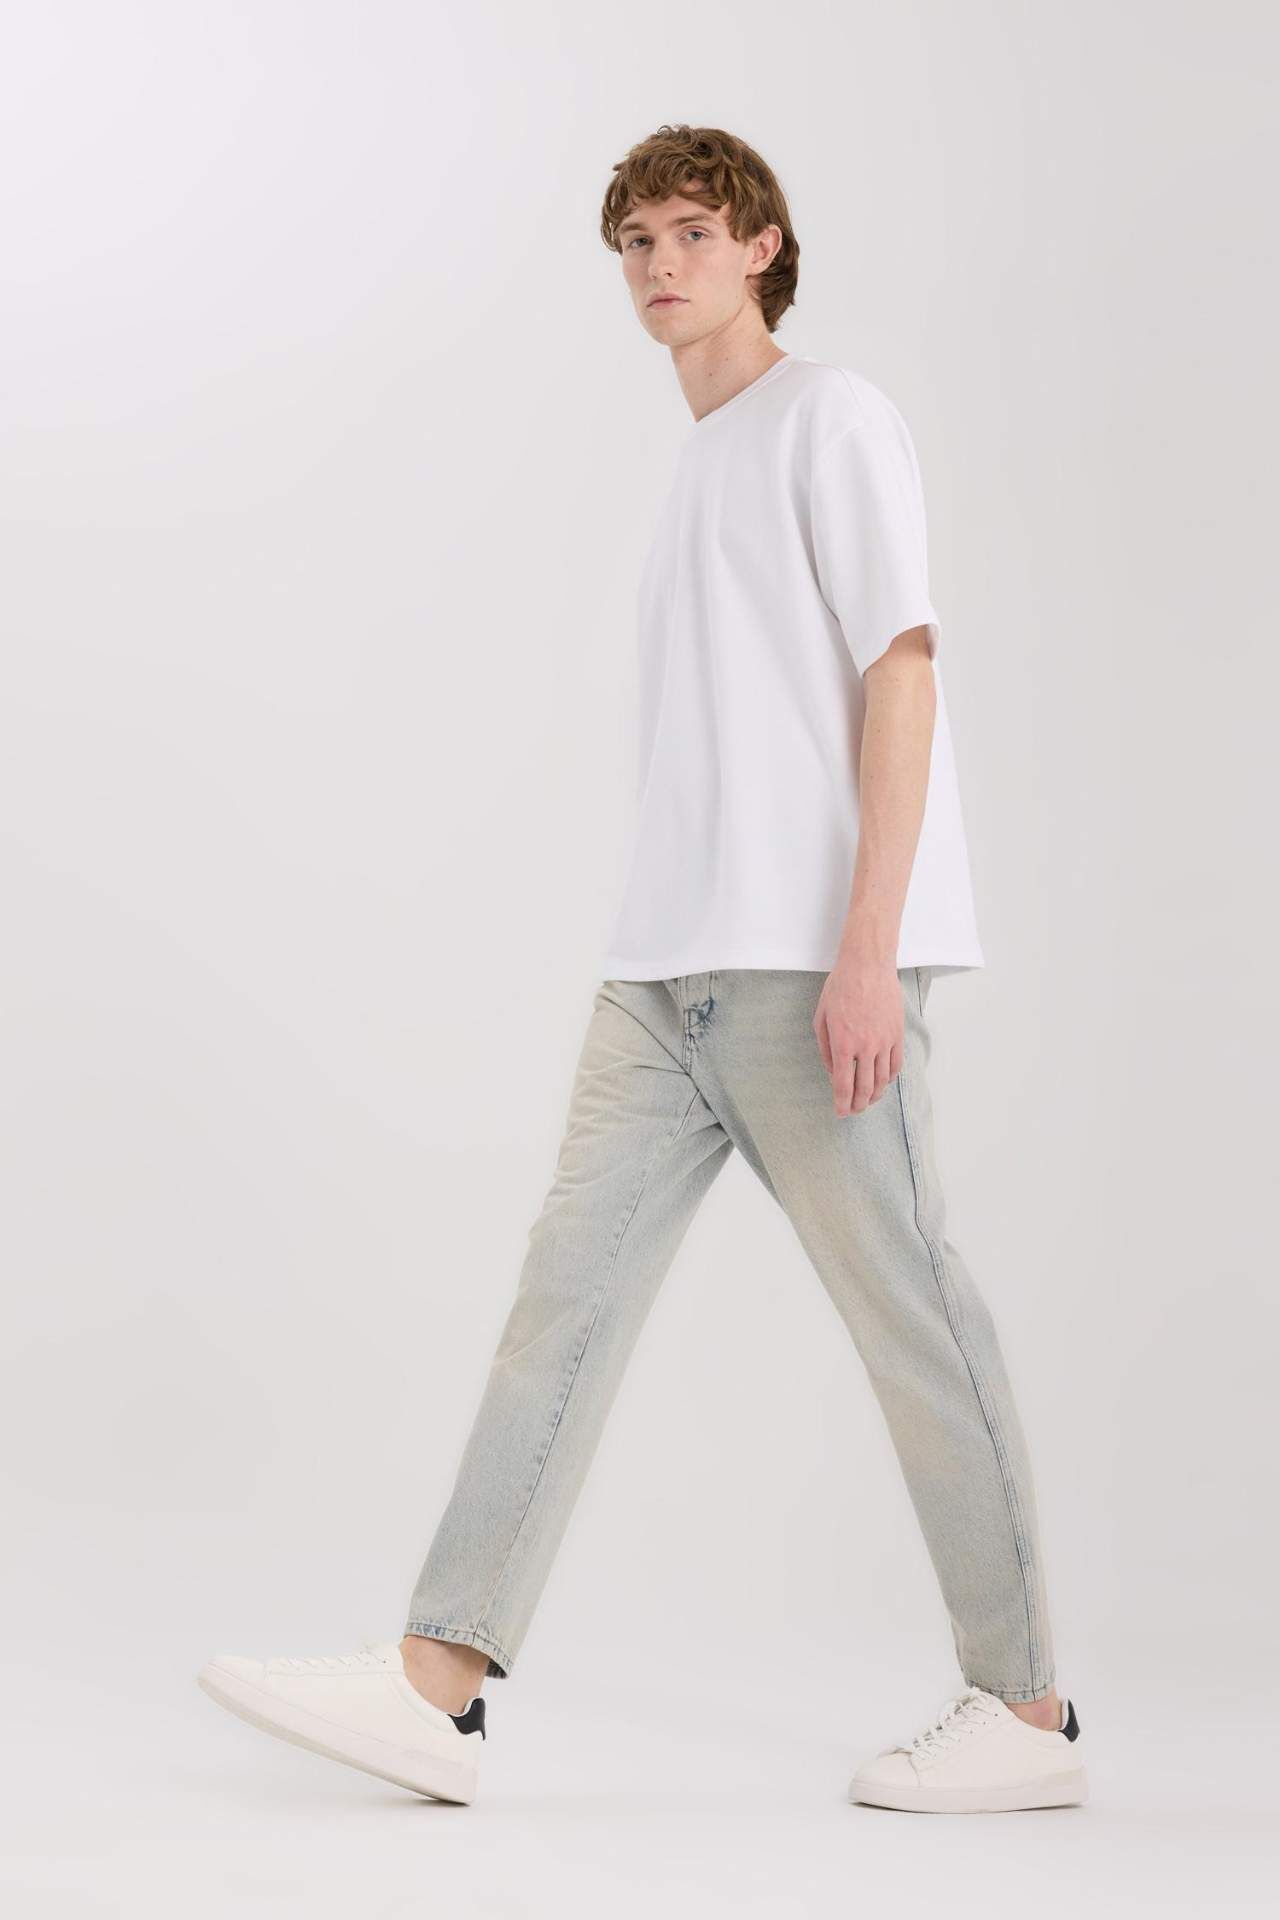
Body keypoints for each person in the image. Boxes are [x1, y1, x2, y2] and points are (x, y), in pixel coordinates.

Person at [198, 123, 1087, 1815]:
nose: (660, 263)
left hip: (804, 976)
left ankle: (1028, 1716)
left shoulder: (832, 418)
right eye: (635, 242)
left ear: (763, 247)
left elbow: (903, 676)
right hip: (663, 977)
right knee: (563, 1308)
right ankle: (438, 1684)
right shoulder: (699, 463)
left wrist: (870, 951)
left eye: (691, 231)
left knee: (914, 1319)